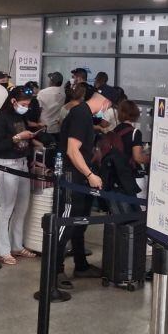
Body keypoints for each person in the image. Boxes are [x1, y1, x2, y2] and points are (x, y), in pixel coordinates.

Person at [55, 84, 117, 287]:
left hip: (80, 175)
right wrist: (90, 174)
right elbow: (72, 151)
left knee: (80, 220)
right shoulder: (81, 114)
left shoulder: (85, 114)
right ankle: (55, 270)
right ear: (106, 102)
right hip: (72, 175)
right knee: (66, 221)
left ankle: (81, 265)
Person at [0, 86, 38, 265]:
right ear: (13, 101)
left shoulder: (21, 117)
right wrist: (17, 138)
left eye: (28, 104)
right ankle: (3, 250)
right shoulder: (0, 120)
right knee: (6, 208)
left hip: (22, 164)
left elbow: (24, 141)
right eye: (23, 104)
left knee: (22, 207)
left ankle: (16, 245)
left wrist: (32, 143)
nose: (26, 107)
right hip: (6, 166)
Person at [111, 99, 149, 204]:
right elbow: (137, 157)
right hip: (132, 175)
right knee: (137, 210)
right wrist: (151, 158)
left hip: (117, 174)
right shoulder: (135, 132)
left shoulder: (115, 131)